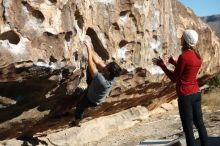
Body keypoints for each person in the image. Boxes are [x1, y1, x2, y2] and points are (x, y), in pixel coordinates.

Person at [152, 29, 208, 146]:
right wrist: (172, 61)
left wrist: (162, 65)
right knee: (200, 124)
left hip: (185, 95)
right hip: (196, 93)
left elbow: (174, 78)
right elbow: (186, 69)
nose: (180, 38)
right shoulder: (198, 57)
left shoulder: (183, 56)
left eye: (182, 37)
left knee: (188, 129)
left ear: (185, 40)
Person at [70, 39, 122, 126]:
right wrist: (89, 46)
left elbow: (91, 63)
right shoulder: (112, 76)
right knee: (91, 75)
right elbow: (97, 62)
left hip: (91, 100)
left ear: (108, 72)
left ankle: (76, 122)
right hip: (95, 88)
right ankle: (88, 87)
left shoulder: (101, 80)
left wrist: (89, 50)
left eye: (107, 67)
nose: (105, 66)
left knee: (80, 106)